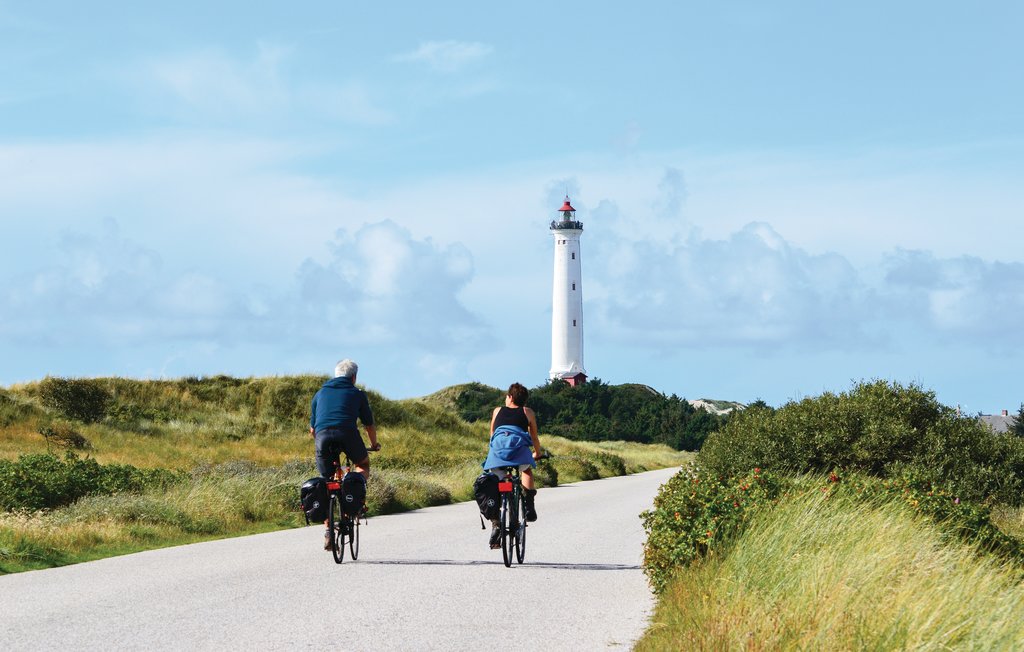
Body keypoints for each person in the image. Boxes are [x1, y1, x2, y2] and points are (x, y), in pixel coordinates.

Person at [309, 359, 381, 549]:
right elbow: (368, 425)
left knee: (326, 482)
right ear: (354, 377)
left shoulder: (320, 393)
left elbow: (312, 430)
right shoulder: (357, 394)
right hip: (347, 434)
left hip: (323, 438)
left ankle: (328, 530)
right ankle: (351, 489)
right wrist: (374, 445)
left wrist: (320, 444)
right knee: (363, 465)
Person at [482, 382, 543, 549]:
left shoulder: (497, 411)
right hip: (518, 453)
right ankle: (529, 506)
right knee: (527, 470)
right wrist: (537, 453)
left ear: (509, 397)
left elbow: (492, 436)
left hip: (497, 455)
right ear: (524, 400)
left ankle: (496, 523)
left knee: (495, 482)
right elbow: (534, 438)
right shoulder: (527, 412)